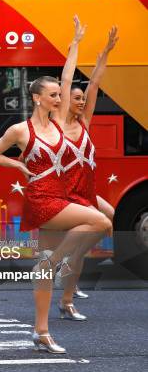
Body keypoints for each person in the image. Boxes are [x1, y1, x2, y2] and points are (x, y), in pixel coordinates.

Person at [0, 16, 111, 353]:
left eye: (61, 94)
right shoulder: (20, 130)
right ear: (38, 98)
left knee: (44, 262)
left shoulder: (59, 122)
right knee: (100, 220)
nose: (61, 98)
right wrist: (18, 165)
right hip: (41, 198)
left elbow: (69, 75)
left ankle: (41, 332)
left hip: (63, 195)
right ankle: (53, 263)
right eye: (54, 94)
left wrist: (75, 44)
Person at [59, 26, 119, 301]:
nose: (82, 101)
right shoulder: (58, 124)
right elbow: (66, 77)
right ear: (64, 101)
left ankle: (71, 263)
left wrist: (104, 53)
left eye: (83, 99)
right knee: (95, 223)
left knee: (108, 221)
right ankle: (64, 266)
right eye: (77, 98)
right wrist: (75, 43)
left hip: (83, 190)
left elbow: (94, 83)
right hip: (62, 191)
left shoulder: (84, 122)